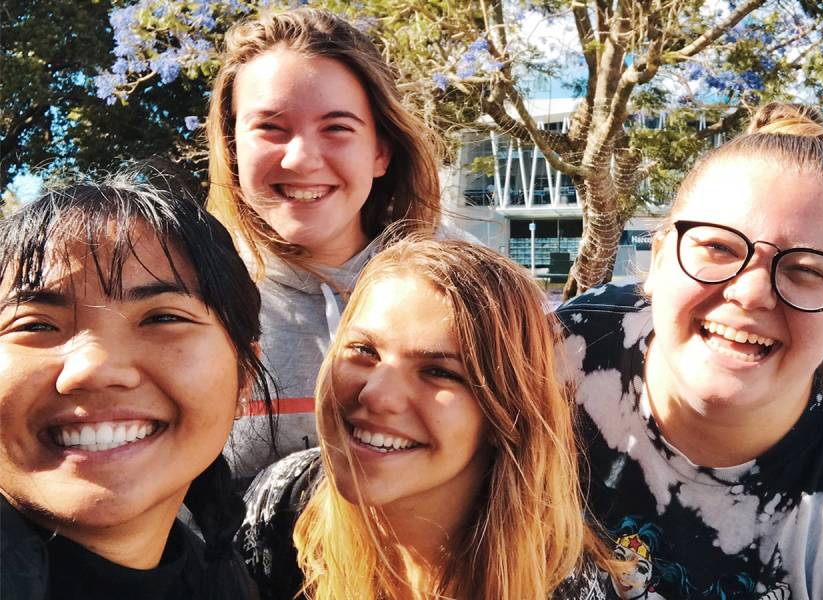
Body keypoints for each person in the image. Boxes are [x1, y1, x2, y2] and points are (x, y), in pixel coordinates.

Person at [556, 103, 823, 599]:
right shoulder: (566, 348)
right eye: (719, 248)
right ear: (659, 261)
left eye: (807, 270)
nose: (749, 293)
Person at [238, 238, 611, 600]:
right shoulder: (281, 504)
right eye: (363, 350)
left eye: (440, 372)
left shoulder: (565, 583)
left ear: (508, 413)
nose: (376, 394)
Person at [0, 173, 272, 599]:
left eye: (163, 318)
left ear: (244, 378)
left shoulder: (227, 582)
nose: (93, 369)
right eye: (35, 324)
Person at [205, 7, 445, 479]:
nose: (301, 160)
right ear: (232, 147)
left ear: (380, 151)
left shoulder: (462, 284)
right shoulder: (188, 294)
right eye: (270, 128)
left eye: (337, 128)